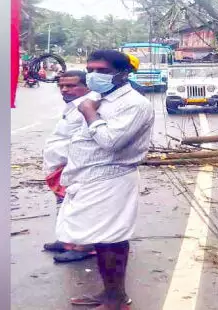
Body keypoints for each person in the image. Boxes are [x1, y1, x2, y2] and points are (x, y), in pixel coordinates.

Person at [58, 50, 155, 309]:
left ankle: (116, 298)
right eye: (91, 70)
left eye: (102, 71)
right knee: (101, 239)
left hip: (111, 179)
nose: (94, 75)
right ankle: (110, 293)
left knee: (111, 239)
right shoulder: (100, 96)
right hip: (90, 179)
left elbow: (111, 142)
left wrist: (91, 113)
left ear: (123, 73)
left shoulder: (135, 104)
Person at [41, 70, 99, 263]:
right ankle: (67, 239)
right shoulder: (72, 106)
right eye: (61, 86)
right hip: (62, 166)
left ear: (87, 86)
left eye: (71, 86)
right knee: (64, 204)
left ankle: (85, 246)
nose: (65, 90)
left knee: (80, 205)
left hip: (78, 166)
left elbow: (88, 139)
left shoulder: (90, 106)